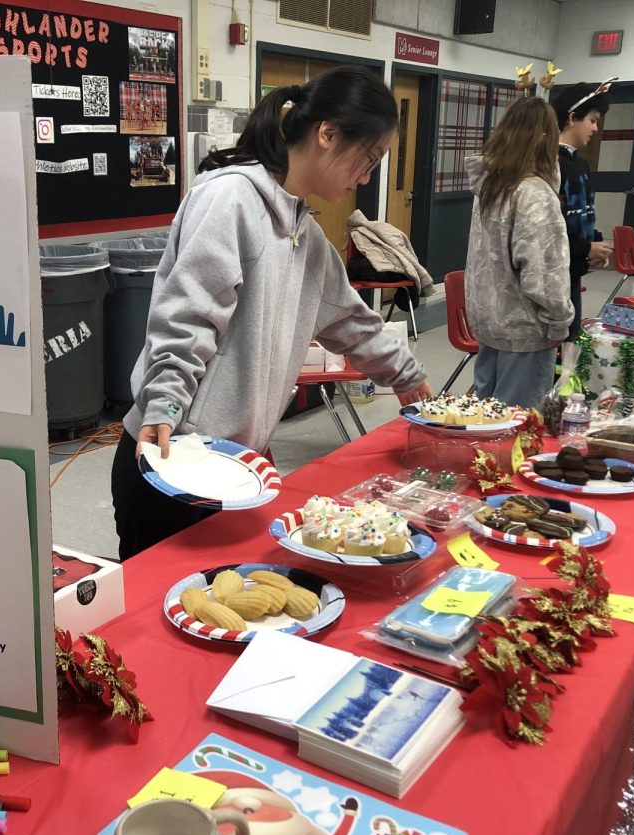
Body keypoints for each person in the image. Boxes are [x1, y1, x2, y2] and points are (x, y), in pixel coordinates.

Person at [111, 66, 432, 561]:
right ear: (327, 134)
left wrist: (408, 378)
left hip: (240, 464)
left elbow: (352, 322)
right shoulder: (231, 199)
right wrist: (164, 405)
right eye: (368, 159)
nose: (366, 177)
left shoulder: (307, 239)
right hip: (174, 456)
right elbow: (187, 315)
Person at [465, 96, 573, 409]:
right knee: (517, 427)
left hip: (490, 322)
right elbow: (543, 272)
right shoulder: (534, 194)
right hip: (525, 329)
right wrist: (558, 323)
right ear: (547, 139)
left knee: (486, 420)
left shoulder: (491, 187)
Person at [548, 81, 614, 340]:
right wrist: (585, 248)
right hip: (554, 273)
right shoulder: (551, 163)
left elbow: (582, 214)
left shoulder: (580, 164)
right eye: (592, 120)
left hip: (574, 268)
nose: (596, 128)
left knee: (572, 340)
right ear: (572, 117)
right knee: (561, 343)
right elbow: (551, 229)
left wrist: (595, 245)